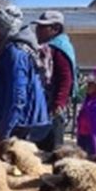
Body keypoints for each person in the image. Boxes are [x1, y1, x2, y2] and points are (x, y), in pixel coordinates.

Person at [0, 6, 50, 155]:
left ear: (4, 28)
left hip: (20, 121)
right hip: (17, 118)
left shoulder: (15, 53)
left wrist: (3, 134)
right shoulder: (12, 50)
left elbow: (18, 96)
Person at [34, 10, 78, 152]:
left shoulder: (59, 49)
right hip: (44, 103)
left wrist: (58, 104)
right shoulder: (46, 48)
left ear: (55, 29)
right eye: (38, 26)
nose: (38, 30)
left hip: (53, 106)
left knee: (51, 147)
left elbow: (66, 78)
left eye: (43, 27)